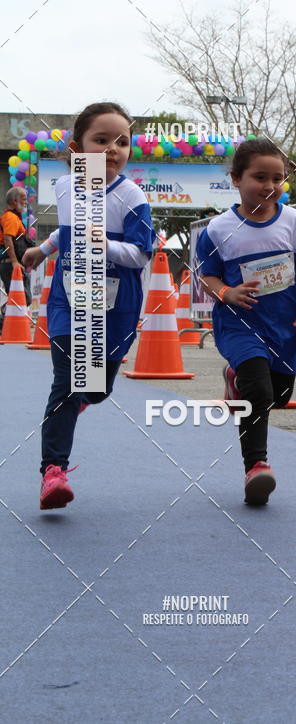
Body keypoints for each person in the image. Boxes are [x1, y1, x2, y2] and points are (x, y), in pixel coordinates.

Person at [22, 102, 156, 510]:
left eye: (122, 142)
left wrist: (105, 245)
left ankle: (81, 399)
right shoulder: (65, 187)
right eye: (102, 140)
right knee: (66, 382)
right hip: (69, 301)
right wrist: (42, 250)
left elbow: (141, 254)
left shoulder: (131, 196)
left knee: (97, 388)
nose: (113, 149)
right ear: (78, 148)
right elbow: (67, 231)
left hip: (116, 307)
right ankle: (53, 472)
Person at [195, 136, 296, 506]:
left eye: (278, 178)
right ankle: (256, 466)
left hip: (283, 327)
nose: (270, 186)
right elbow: (206, 276)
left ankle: (235, 380)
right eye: (260, 177)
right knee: (259, 390)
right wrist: (227, 293)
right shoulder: (219, 230)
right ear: (236, 178)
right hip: (239, 323)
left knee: (279, 395)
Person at [0, 186, 34, 329]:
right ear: (14, 201)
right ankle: (4, 321)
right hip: (10, 264)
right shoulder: (11, 218)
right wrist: (14, 262)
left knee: (20, 297)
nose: (26, 202)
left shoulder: (14, 218)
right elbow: (8, 239)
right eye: (23, 199)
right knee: (23, 297)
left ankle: (5, 322)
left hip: (13, 263)